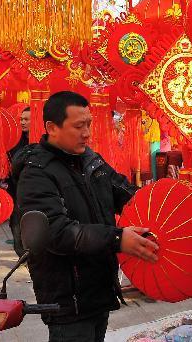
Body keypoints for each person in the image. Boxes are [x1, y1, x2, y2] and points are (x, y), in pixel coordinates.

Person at [16, 91, 160, 342]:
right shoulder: (36, 174)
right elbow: (57, 232)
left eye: (89, 125)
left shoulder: (92, 162)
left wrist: (162, 200)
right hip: (68, 299)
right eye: (78, 126)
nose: (87, 133)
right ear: (52, 127)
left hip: (99, 290)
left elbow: (129, 195)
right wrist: (117, 239)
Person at [6, 106, 32, 255]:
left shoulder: (45, 142)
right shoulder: (14, 141)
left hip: (36, 191)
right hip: (16, 190)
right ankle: (22, 254)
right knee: (16, 224)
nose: (22, 122)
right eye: (21, 119)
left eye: (26, 119)